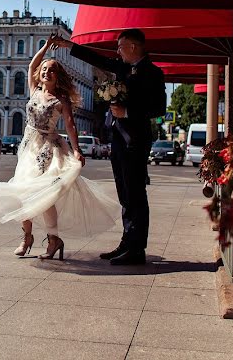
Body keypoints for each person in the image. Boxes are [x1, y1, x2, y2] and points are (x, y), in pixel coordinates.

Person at [0, 38, 121, 260]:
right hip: (28, 147)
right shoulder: (33, 90)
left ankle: (53, 240)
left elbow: (70, 125)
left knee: (43, 194)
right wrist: (46, 48)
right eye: (45, 70)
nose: (47, 73)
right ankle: (27, 237)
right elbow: (31, 66)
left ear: (57, 77)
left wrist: (77, 149)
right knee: (22, 191)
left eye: (52, 71)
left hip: (47, 149)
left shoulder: (61, 99)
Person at [52, 29, 166, 265]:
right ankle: (127, 242)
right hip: (119, 140)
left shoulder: (153, 73)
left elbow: (159, 108)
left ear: (133, 47)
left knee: (135, 194)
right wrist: (68, 45)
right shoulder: (124, 68)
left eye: (121, 46)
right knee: (125, 194)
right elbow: (100, 61)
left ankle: (136, 249)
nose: (118, 51)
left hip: (136, 140)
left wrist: (128, 112)